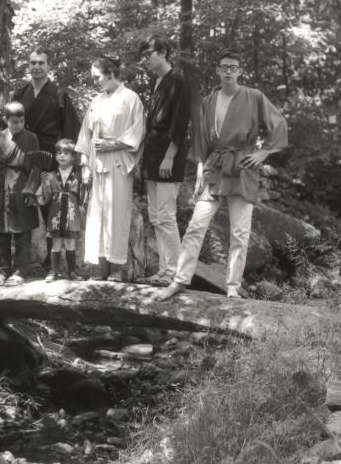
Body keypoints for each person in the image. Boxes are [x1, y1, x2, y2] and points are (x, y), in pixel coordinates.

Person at [158, 51, 288, 300]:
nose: (228, 71)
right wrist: (199, 169)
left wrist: (264, 153)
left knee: (240, 232)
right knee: (196, 225)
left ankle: (232, 286)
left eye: (233, 67)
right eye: (224, 67)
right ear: (217, 71)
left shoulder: (254, 97)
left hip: (242, 167)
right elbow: (201, 139)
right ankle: (180, 280)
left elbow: (278, 123)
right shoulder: (209, 101)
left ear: (240, 71)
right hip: (215, 168)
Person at [75, 57, 145, 281]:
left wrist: (112, 144)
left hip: (118, 163)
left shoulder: (130, 98)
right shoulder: (96, 100)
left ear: (111, 73)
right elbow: (85, 135)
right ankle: (102, 269)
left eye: (97, 76)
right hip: (97, 166)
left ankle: (119, 269)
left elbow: (138, 132)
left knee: (117, 215)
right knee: (97, 216)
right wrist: (85, 165)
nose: (95, 81)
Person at [11, 47, 81, 268]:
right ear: (28, 66)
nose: (37, 67)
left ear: (48, 66)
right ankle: (20, 261)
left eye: (41, 63)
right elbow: (7, 125)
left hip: (51, 157)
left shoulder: (59, 95)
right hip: (24, 156)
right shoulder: (20, 94)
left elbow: (70, 129)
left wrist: (68, 160)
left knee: (51, 209)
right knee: (22, 205)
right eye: (33, 63)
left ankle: (52, 261)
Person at [135, 33, 191, 287]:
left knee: (167, 216)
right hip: (152, 156)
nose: (145, 59)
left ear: (163, 53)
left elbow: (180, 124)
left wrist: (169, 157)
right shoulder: (156, 83)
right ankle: (163, 270)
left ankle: (176, 274)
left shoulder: (178, 80)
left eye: (148, 54)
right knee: (155, 216)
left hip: (169, 157)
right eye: (143, 55)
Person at [0, 101, 40, 286]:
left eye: (21, 121)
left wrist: (31, 190)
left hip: (21, 187)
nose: (17, 125)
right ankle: (2, 271)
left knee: (23, 232)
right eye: (14, 121)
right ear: (5, 120)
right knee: (1, 232)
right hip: (1, 187)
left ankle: (19, 271)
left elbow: (35, 166)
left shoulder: (31, 138)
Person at [37, 138, 86, 282]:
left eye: (66, 153)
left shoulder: (79, 174)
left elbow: (83, 196)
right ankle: (53, 271)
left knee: (70, 243)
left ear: (73, 156)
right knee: (56, 242)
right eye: (59, 153)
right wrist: (44, 183)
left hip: (71, 211)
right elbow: (44, 198)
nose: (62, 155)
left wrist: (85, 185)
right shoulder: (51, 175)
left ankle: (72, 272)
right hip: (55, 212)